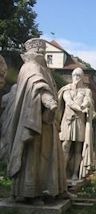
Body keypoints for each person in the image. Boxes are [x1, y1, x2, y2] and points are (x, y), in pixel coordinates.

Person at [7, 38, 66, 203]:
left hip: (46, 120)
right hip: (33, 120)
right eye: (39, 51)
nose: (42, 54)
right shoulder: (30, 67)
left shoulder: (43, 68)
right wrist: (49, 102)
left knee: (49, 156)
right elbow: (37, 86)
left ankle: (50, 189)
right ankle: (29, 193)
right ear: (32, 52)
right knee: (32, 156)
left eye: (43, 51)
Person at [58, 67, 95, 180]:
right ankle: (62, 172)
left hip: (79, 121)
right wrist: (81, 108)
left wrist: (85, 105)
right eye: (75, 75)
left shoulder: (87, 91)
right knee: (65, 145)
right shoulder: (66, 89)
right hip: (68, 120)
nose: (77, 77)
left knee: (78, 148)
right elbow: (68, 102)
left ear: (83, 77)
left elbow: (88, 101)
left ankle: (75, 174)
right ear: (72, 76)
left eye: (79, 75)